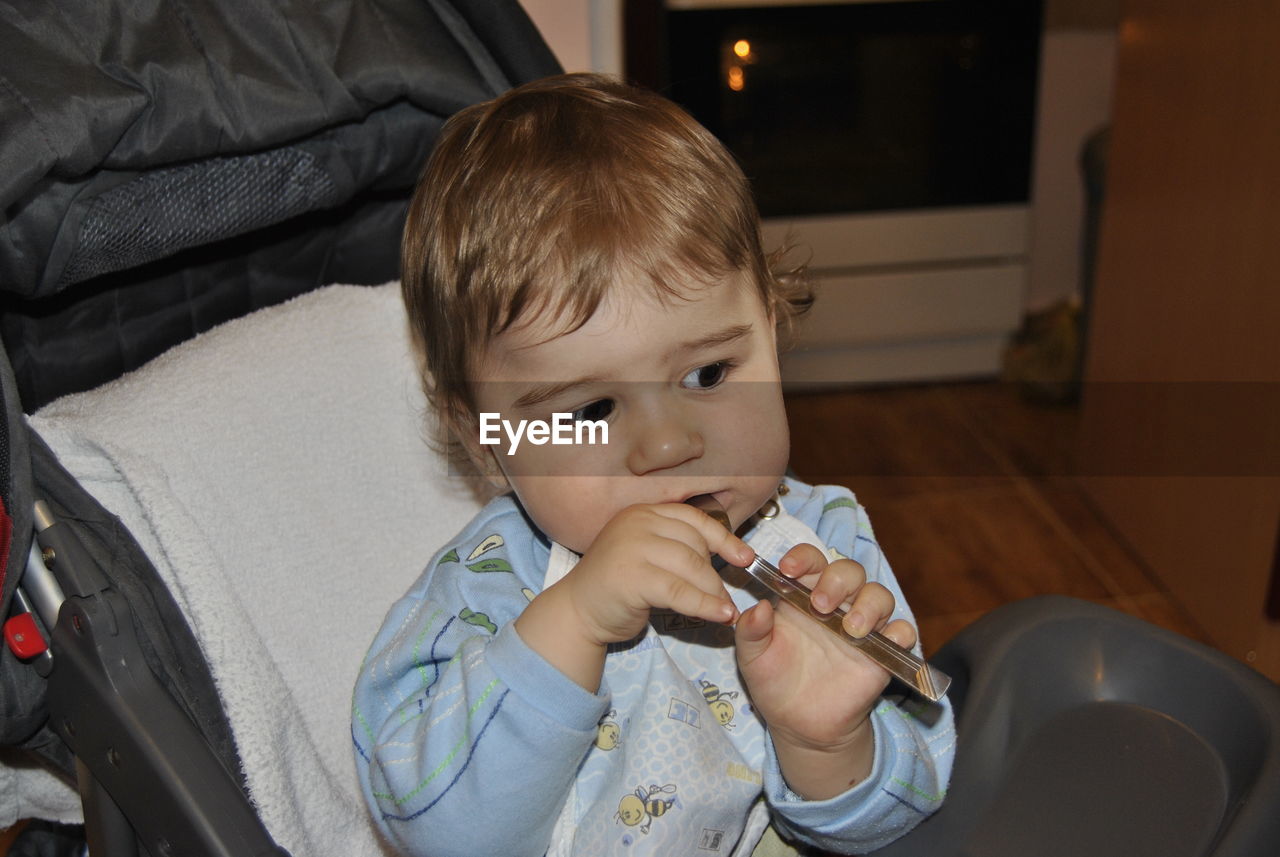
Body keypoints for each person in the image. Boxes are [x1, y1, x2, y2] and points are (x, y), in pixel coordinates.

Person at [351, 73, 954, 857]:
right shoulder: (481, 592)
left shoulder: (825, 550)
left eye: (708, 374)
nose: (669, 445)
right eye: (592, 409)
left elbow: (918, 795)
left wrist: (826, 742)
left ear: (769, 335)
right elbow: (434, 830)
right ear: (485, 433)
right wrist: (573, 622)